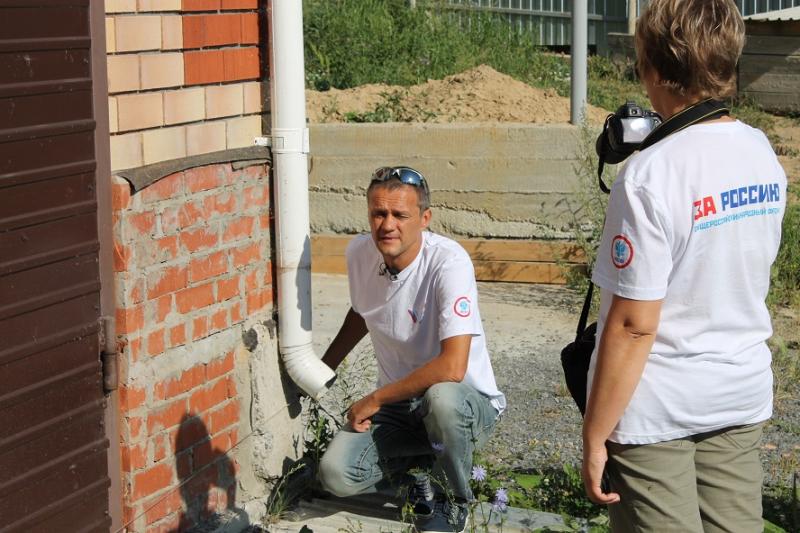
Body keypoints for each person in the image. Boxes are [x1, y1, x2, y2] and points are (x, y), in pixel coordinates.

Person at [581, 1, 788, 531]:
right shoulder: (762, 153)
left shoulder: (649, 175)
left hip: (658, 408)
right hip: (738, 394)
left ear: (651, 67)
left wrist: (595, 433)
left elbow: (632, 325)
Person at [317, 166, 506, 533]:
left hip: (465, 403)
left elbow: (453, 367)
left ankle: (452, 502)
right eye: (378, 213)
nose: (387, 225)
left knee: (442, 401)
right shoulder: (360, 252)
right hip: (400, 407)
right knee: (335, 474)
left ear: (424, 218)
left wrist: (373, 399)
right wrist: (324, 367)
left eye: (400, 215)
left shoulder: (448, 263)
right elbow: (362, 310)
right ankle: (418, 473)